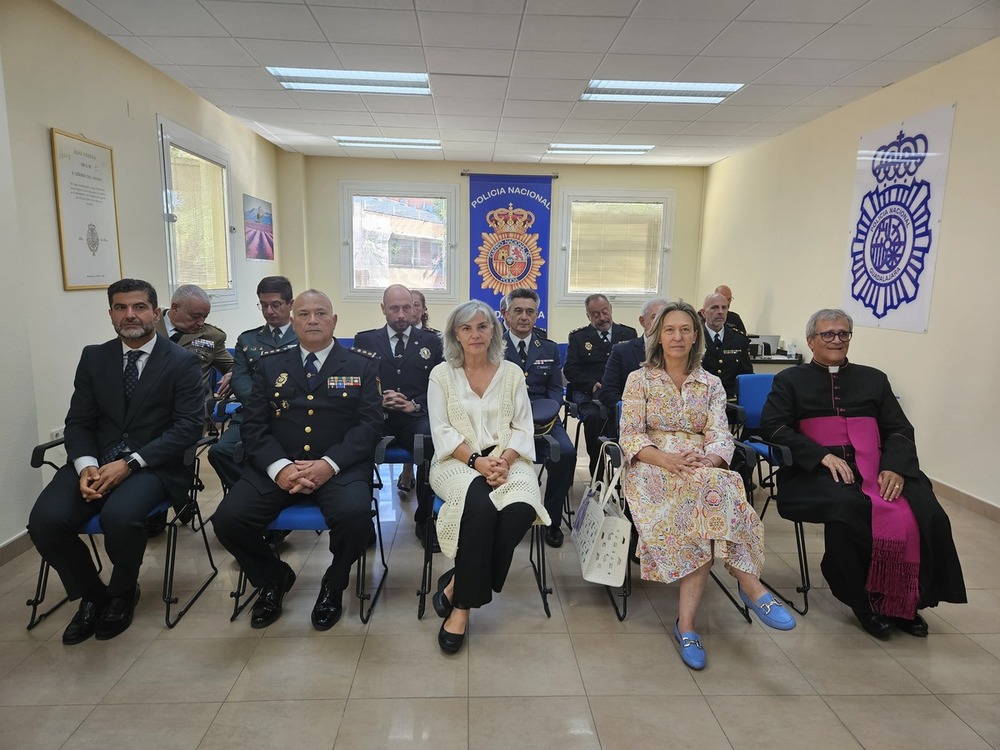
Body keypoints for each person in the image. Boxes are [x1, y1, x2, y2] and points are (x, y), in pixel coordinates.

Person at [760, 308, 966, 638]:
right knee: (851, 508)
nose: (837, 340)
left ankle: (905, 600)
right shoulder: (789, 380)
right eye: (828, 334)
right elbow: (774, 426)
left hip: (877, 466)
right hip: (814, 472)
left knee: (925, 509)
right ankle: (865, 601)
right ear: (812, 341)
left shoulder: (874, 379)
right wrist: (821, 456)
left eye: (843, 334)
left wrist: (894, 467)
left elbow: (898, 429)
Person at [620, 300, 795, 670]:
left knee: (710, 491)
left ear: (696, 335)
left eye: (685, 329)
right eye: (670, 329)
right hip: (652, 467)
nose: (677, 336)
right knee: (716, 491)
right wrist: (668, 459)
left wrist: (710, 460)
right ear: (657, 336)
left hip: (701, 467)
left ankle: (688, 626)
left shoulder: (711, 383)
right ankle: (749, 585)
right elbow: (631, 436)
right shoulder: (640, 380)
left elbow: (720, 436)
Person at [27, 279, 204, 644]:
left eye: (139, 307)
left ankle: (122, 593)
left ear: (156, 313)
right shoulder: (95, 357)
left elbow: (187, 428)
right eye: (121, 308)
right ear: (110, 314)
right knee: (44, 521)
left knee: (120, 517)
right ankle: (93, 595)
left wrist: (131, 463)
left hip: (154, 464)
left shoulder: (182, 361)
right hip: (96, 460)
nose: (130, 315)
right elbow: (79, 421)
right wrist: (86, 465)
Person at [211, 290, 384, 631]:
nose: (313, 320)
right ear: (293, 321)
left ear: (334, 321)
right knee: (227, 520)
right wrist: (280, 468)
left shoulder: (361, 365)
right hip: (277, 467)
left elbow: (370, 426)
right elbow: (254, 425)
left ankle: (334, 583)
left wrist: (328, 465)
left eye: (321, 313)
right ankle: (273, 577)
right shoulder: (269, 365)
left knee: (355, 517)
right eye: (304, 314)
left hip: (339, 468)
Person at [427, 300, 550, 654]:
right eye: (466, 328)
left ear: (494, 330)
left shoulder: (511, 373)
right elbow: (442, 431)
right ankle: (462, 608)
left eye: (482, 326)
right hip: (457, 461)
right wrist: (478, 462)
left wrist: (506, 460)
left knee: (521, 509)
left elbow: (524, 427)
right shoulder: (441, 375)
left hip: (509, 460)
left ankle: (456, 582)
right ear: (455, 334)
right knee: (480, 508)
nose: (475, 334)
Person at [354, 284, 443, 547]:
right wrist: (378, 400)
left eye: (408, 307)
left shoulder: (432, 341)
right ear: (383, 309)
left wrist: (415, 405)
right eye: (395, 308)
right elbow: (356, 385)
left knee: (431, 439)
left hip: (414, 417)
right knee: (354, 444)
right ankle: (362, 522)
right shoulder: (365, 340)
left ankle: (424, 520)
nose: (402, 314)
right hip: (376, 416)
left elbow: (442, 386)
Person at [208, 276, 297, 492]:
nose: (269, 311)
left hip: (295, 413)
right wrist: (262, 405)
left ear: (290, 304)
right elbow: (239, 378)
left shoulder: (305, 336)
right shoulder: (248, 340)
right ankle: (256, 495)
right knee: (220, 451)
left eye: (275, 305)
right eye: (263, 305)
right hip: (254, 413)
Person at [502, 288, 575, 547]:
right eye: (518, 311)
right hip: (505, 421)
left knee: (566, 453)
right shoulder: (493, 348)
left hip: (543, 419)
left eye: (530, 312)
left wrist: (550, 409)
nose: (524, 317)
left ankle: (552, 520)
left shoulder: (548, 348)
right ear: (505, 315)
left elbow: (556, 388)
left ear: (536, 316)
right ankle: (501, 518)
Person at [564, 293, 638, 475]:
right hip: (589, 393)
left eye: (604, 312)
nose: (601, 317)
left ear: (611, 310)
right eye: (595, 314)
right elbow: (570, 369)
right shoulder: (578, 337)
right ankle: (597, 470)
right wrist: (592, 384)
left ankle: (630, 469)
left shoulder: (628, 334)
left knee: (632, 413)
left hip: (620, 391)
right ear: (588, 316)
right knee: (595, 417)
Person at [597, 296, 669, 435]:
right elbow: (608, 393)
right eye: (655, 317)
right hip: (634, 423)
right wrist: (637, 412)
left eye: (665, 318)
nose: (661, 323)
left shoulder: (679, 353)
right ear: (642, 321)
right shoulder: (622, 351)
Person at [156, 283, 234, 396]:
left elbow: (234, 366)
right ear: (175, 308)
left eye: (205, 317)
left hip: (196, 407)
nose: (201, 323)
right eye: (195, 316)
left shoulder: (212, 336)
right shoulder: (148, 330)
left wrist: (233, 374)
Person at [700, 291, 753, 400]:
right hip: (702, 399)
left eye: (724, 308)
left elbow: (747, 377)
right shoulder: (694, 338)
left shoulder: (739, 340)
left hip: (730, 402)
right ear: (703, 313)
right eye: (714, 308)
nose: (720, 312)